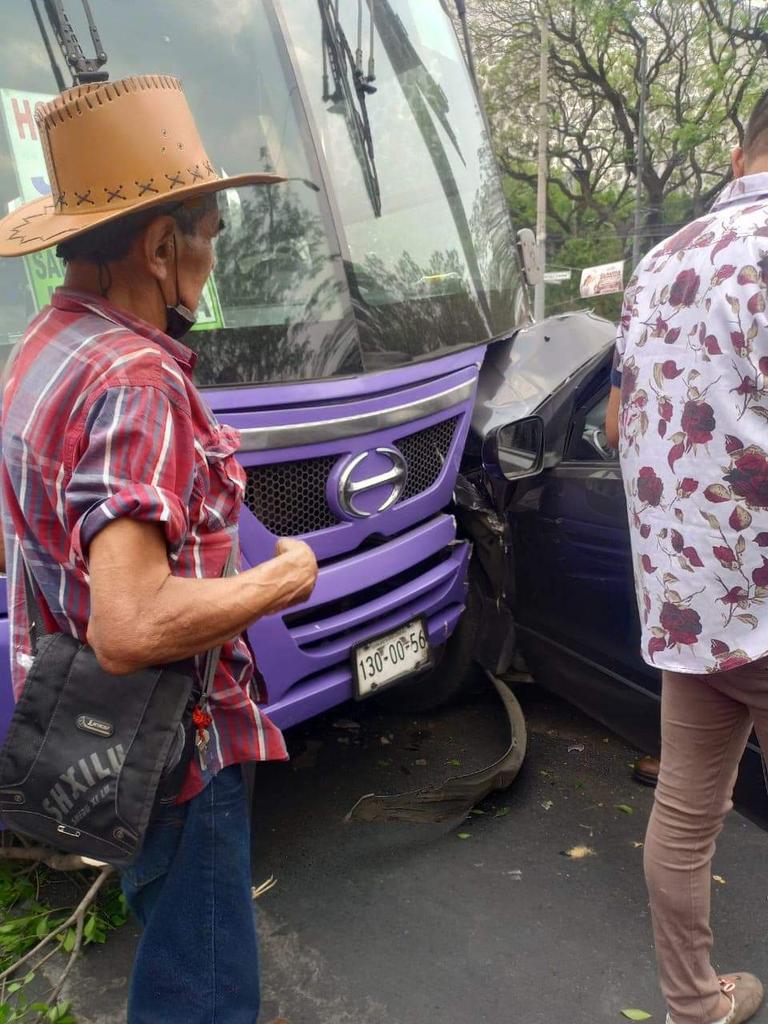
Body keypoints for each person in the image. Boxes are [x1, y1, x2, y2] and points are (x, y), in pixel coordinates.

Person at [0, 75, 317, 1024]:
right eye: (211, 238)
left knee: (175, 956)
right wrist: (278, 579)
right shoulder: (138, 381)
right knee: (205, 993)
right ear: (159, 244)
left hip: (93, 734)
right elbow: (130, 625)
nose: (213, 261)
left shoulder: (45, 346)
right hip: (174, 743)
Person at [606, 89, 768, 1024]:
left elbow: (621, 421)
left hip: (685, 608)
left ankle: (694, 1007)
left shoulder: (660, 261)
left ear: (740, 152)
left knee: (685, 817)